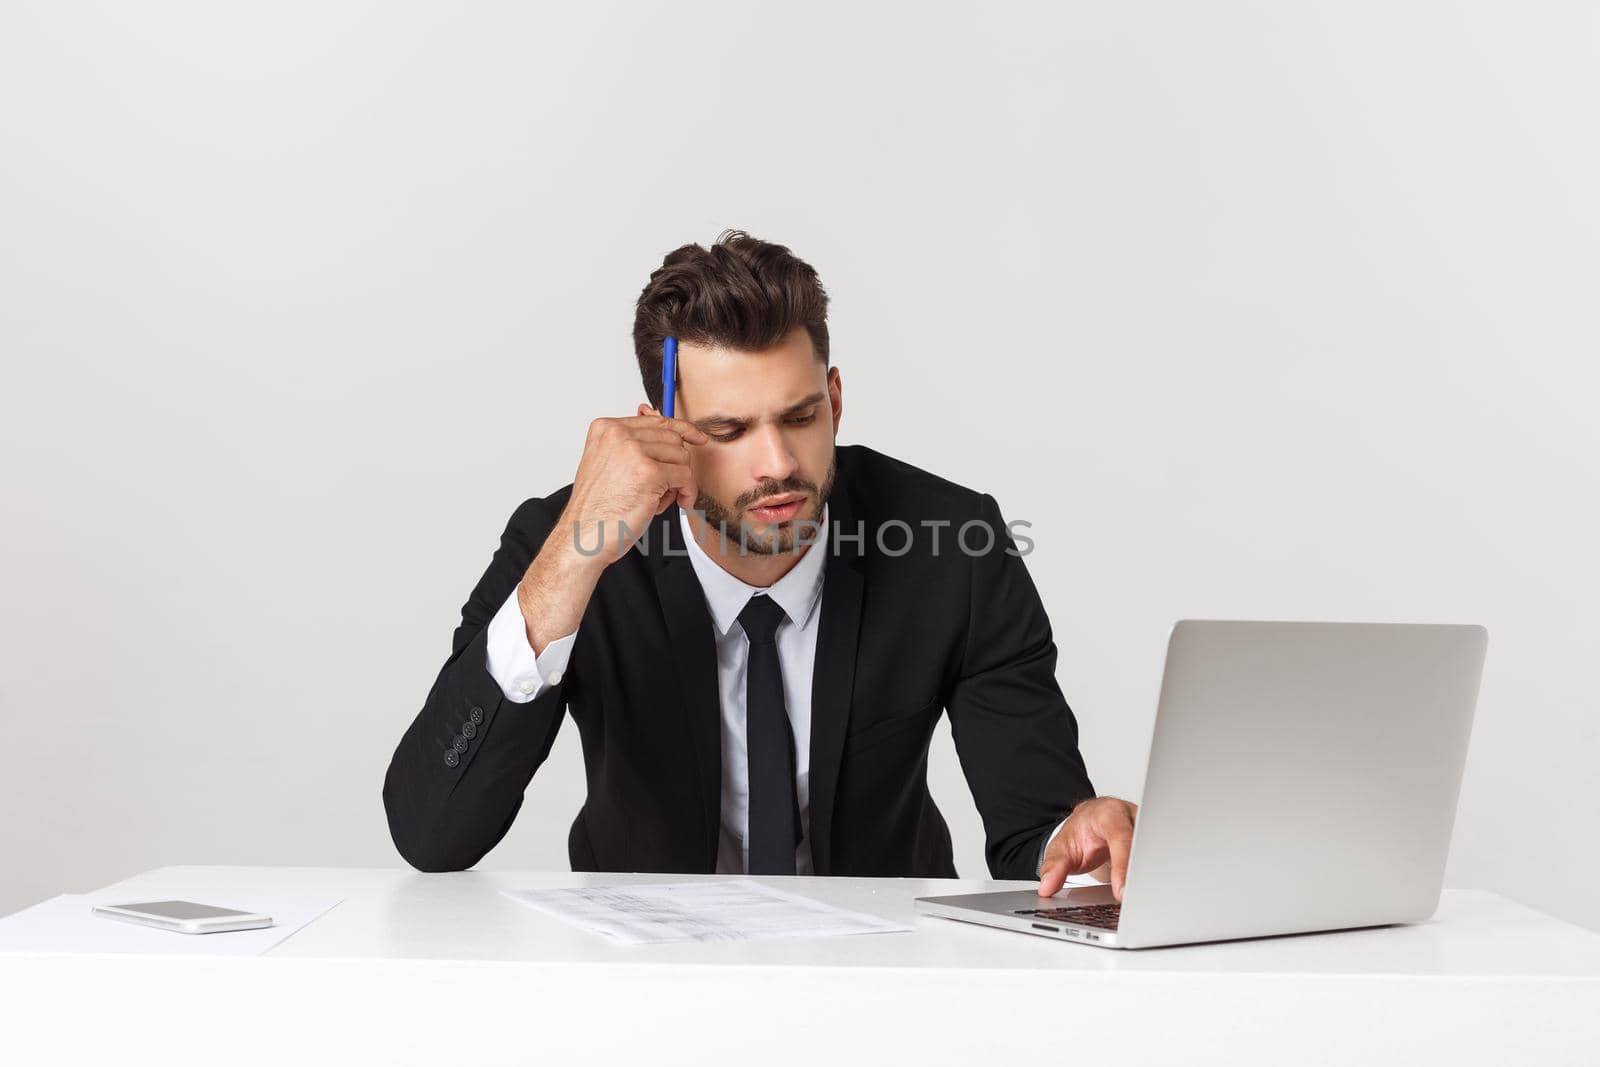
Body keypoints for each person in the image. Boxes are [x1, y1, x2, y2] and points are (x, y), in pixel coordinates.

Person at [382, 230, 1139, 900]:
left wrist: (1076, 837)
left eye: (800, 417)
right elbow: (432, 833)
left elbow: (1036, 833)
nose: (777, 463)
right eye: (728, 429)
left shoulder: (954, 544)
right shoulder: (568, 542)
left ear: (835, 401)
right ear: (661, 432)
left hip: (890, 978)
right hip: (645, 982)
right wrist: (573, 563)